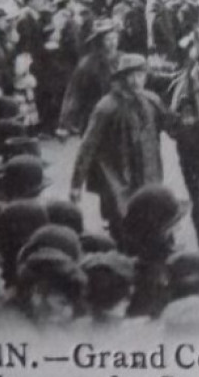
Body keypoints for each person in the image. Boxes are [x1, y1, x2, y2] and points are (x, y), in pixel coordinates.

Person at [70, 54, 169, 246]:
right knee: (123, 232)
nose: (136, 81)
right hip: (118, 180)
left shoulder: (151, 101)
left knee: (151, 229)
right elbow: (87, 146)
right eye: (131, 75)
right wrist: (76, 184)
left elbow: (172, 126)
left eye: (141, 75)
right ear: (122, 78)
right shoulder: (107, 106)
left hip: (149, 176)